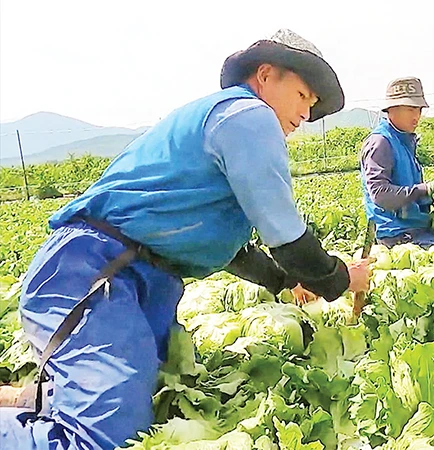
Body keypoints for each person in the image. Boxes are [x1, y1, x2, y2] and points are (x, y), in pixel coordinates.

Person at [0, 29, 371, 450]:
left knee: (150, 405)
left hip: (139, 278)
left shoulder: (228, 127)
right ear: (265, 75)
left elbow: (233, 250)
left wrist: (285, 281)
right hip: (94, 270)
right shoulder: (247, 116)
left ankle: (26, 406)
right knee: (101, 438)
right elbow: (286, 236)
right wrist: (339, 278)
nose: (306, 113)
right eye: (304, 95)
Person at [359, 77, 434, 248]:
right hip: (397, 235)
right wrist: (425, 189)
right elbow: (380, 195)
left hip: (417, 226)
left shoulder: (403, 140)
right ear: (392, 109)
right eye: (411, 109)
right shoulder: (381, 142)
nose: (417, 116)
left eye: (419, 110)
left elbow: (409, 192)